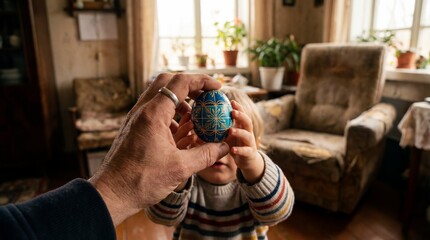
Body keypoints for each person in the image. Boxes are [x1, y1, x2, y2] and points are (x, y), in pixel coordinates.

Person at [0, 73, 233, 240]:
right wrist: (115, 189)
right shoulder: (190, 185)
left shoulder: (244, 181)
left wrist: (111, 190)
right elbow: (166, 214)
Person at [146, 86, 295, 239]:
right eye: (207, 138)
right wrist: (176, 173)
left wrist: (253, 165)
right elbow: (159, 216)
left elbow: (279, 212)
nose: (219, 152)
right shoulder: (186, 187)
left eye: (233, 140)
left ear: (254, 147)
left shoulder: (254, 189)